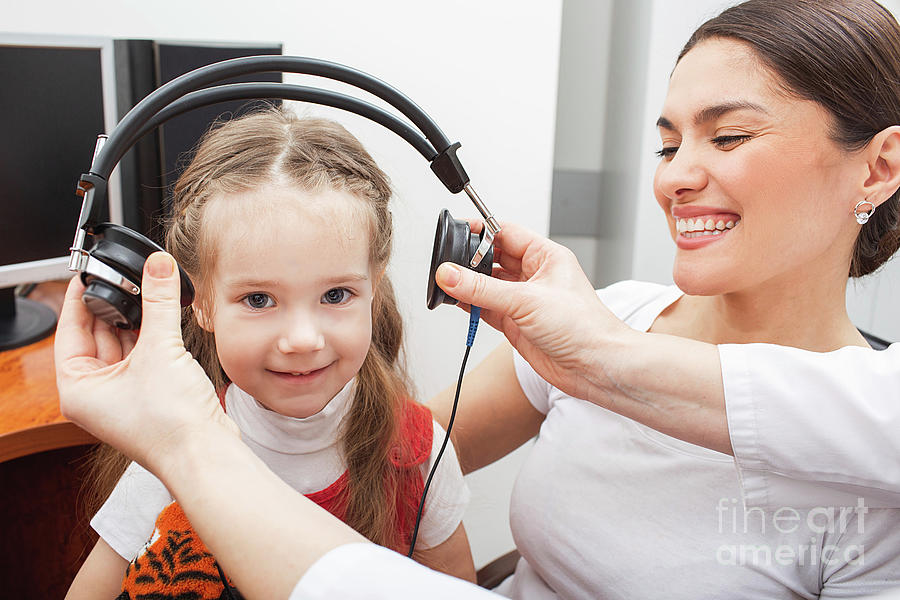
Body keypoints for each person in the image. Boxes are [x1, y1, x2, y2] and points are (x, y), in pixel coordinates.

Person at [53, 0, 900, 598]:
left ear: (878, 167)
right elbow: (383, 449)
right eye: (667, 141)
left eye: (730, 134)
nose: (675, 176)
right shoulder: (609, 317)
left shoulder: (875, 491)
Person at [64, 110, 474, 599]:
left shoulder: (419, 454)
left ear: (374, 288)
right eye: (259, 299)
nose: (302, 339)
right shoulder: (170, 448)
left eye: (336, 295)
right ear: (201, 304)